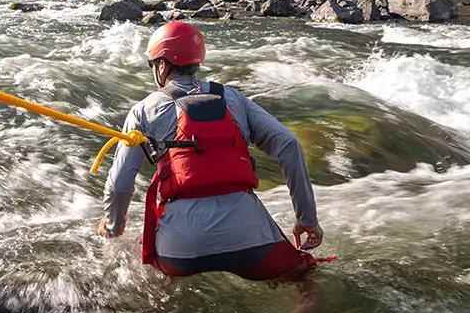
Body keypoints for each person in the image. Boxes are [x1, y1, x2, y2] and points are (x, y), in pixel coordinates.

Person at [97, 20, 325, 280]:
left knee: (150, 275)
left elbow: (119, 184)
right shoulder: (234, 98)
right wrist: (306, 219)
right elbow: (289, 145)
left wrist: (113, 226)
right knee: (302, 276)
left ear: (161, 65)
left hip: (180, 250)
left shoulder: (143, 111)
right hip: (249, 238)